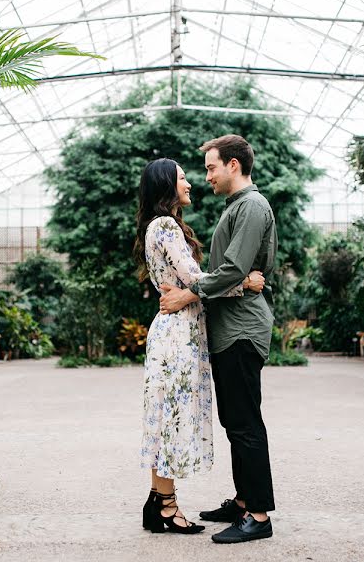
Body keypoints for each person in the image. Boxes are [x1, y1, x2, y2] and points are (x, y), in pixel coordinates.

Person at [133, 157, 265, 535]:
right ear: (166, 186)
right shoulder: (166, 226)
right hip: (177, 335)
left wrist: (192, 293)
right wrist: (245, 283)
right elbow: (195, 278)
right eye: (183, 178)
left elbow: (188, 283)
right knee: (171, 417)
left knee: (165, 416)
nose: (190, 183)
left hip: (174, 329)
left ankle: (159, 502)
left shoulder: (160, 225)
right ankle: (166, 507)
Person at [158, 135, 278, 544]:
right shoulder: (236, 207)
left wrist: (186, 295)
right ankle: (245, 501)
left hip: (242, 329)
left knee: (245, 424)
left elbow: (230, 270)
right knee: (235, 422)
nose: (205, 176)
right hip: (229, 330)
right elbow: (234, 275)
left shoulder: (251, 206)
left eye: (211, 167)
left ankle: (258, 516)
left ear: (233, 165)